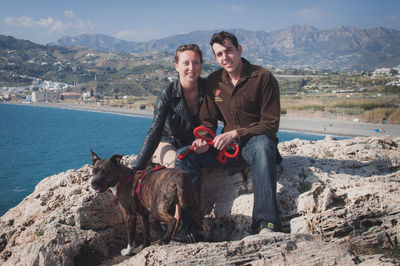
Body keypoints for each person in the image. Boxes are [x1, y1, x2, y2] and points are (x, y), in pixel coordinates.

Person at [175, 31, 283, 234]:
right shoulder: (215, 81)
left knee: (262, 146)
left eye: (229, 51)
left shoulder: (263, 77)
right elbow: (207, 122)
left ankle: (266, 223)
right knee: (184, 156)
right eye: (219, 54)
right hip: (227, 149)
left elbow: (270, 124)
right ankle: (191, 229)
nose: (225, 58)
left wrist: (236, 134)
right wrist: (203, 140)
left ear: (239, 50)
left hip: (256, 145)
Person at [133, 44, 205, 170]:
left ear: (201, 65)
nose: (191, 68)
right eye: (186, 63)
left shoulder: (210, 89)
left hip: (198, 144)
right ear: (176, 66)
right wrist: (136, 169)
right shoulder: (167, 93)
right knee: (178, 169)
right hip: (169, 143)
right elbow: (155, 131)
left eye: (195, 63)